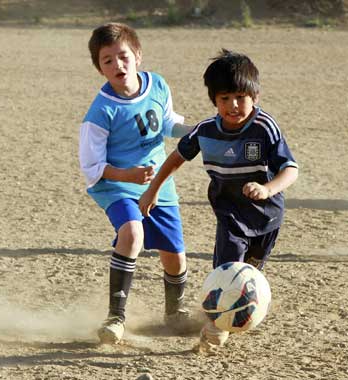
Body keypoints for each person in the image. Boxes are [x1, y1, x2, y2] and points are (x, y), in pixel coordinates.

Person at [139, 49, 298, 351]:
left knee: (248, 278)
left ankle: (232, 315)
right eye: (224, 98)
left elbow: (290, 169)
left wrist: (267, 189)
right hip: (231, 215)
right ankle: (212, 329)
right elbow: (176, 158)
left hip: (268, 218)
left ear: (255, 95)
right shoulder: (206, 131)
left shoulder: (265, 128)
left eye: (240, 97)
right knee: (227, 272)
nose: (233, 106)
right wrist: (152, 190)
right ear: (214, 100)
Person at [79, 22, 194, 345]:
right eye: (107, 61)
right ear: (99, 68)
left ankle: (174, 312)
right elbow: (91, 168)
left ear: (138, 56)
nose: (118, 65)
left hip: (157, 182)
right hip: (115, 184)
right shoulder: (101, 112)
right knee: (132, 233)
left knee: (174, 255)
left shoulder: (157, 85)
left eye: (123, 56)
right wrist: (127, 175)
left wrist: (198, 131)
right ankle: (115, 317)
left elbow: (168, 123)